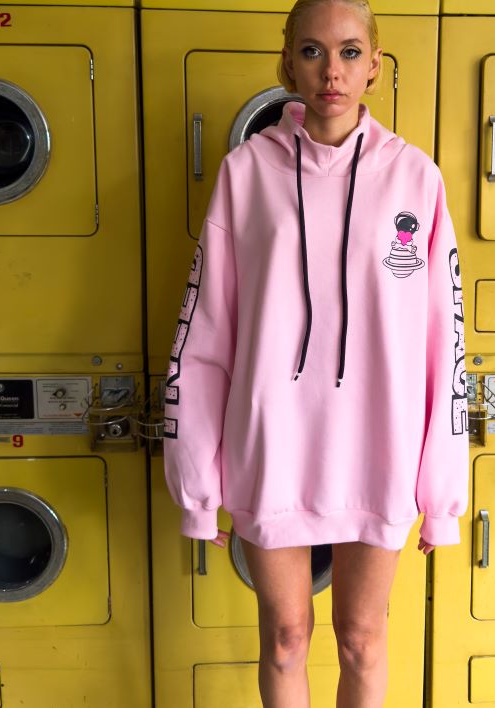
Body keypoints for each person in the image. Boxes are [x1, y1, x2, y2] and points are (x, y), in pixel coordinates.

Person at [163, 0, 469, 705]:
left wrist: (441, 495)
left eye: (350, 52)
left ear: (375, 67)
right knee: (285, 638)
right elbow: (206, 332)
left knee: (362, 637)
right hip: (274, 445)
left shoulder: (415, 178)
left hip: (380, 448)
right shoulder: (245, 173)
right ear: (288, 63)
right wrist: (198, 488)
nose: (332, 70)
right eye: (312, 51)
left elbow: (443, 341)